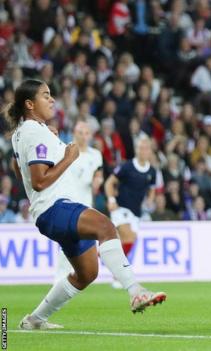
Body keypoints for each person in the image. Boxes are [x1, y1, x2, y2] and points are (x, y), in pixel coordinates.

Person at [6, 79, 165, 330]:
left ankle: (35, 320)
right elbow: (38, 182)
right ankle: (136, 291)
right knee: (106, 227)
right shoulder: (34, 131)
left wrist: (51, 144)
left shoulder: (26, 132)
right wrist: (68, 158)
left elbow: (18, 170)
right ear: (29, 104)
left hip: (52, 211)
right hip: (54, 208)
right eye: (45, 95)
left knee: (87, 273)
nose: (52, 99)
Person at [104, 136, 156, 289]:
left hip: (136, 213)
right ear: (137, 149)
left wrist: (150, 200)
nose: (144, 151)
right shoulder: (127, 166)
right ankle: (118, 271)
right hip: (121, 208)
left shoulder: (152, 171)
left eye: (147, 148)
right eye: (141, 147)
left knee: (127, 242)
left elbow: (152, 188)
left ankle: (111, 266)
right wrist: (111, 200)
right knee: (129, 237)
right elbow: (110, 182)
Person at [54, 120, 104, 282]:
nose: (83, 136)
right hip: (68, 202)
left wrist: (98, 181)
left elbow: (98, 175)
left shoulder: (95, 155)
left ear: (90, 135)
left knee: (85, 242)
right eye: (80, 132)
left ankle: (80, 276)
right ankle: (60, 277)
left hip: (86, 204)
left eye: (86, 133)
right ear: (74, 133)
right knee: (68, 241)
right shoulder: (65, 151)